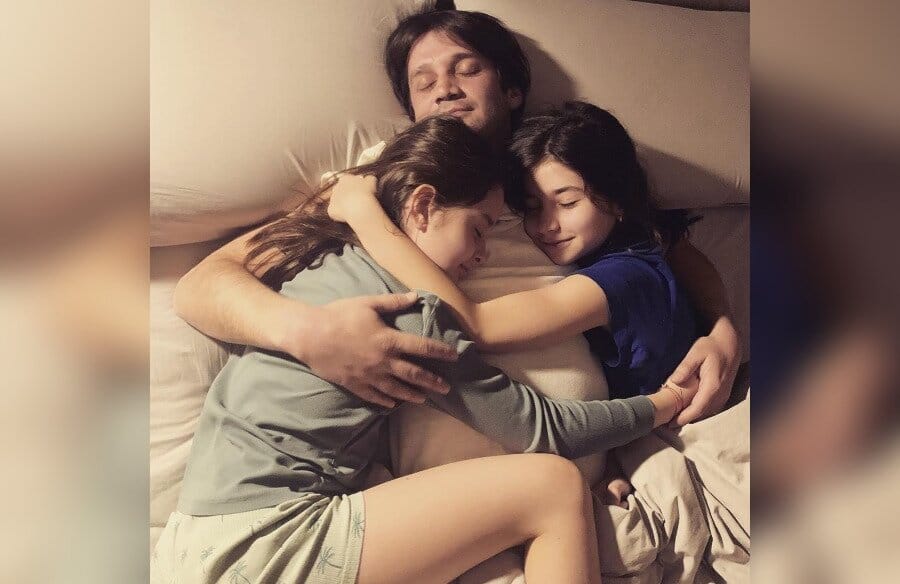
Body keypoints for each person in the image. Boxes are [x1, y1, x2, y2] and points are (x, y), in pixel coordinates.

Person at [152, 116, 698, 584]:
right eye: (478, 230)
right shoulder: (409, 313)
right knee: (554, 486)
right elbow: (542, 429)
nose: (484, 254)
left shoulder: (322, 251)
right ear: (422, 206)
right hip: (266, 544)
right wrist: (664, 403)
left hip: (191, 540)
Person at [173, 6, 741, 423]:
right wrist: (304, 332)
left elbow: (666, 245)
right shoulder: (380, 181)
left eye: (466, 70)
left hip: (593, 435)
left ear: (512, 89)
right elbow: (203, 284)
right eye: (423, 83)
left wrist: (721, 329)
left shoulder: (551, 163)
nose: (444, 89)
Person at [330, 101, 698, 402]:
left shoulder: (625, 277)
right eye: (534, 207)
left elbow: (479, 326)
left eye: (568, 202)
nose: (548, 224)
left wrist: (364, 214)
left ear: (617, 200)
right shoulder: (618, 253)